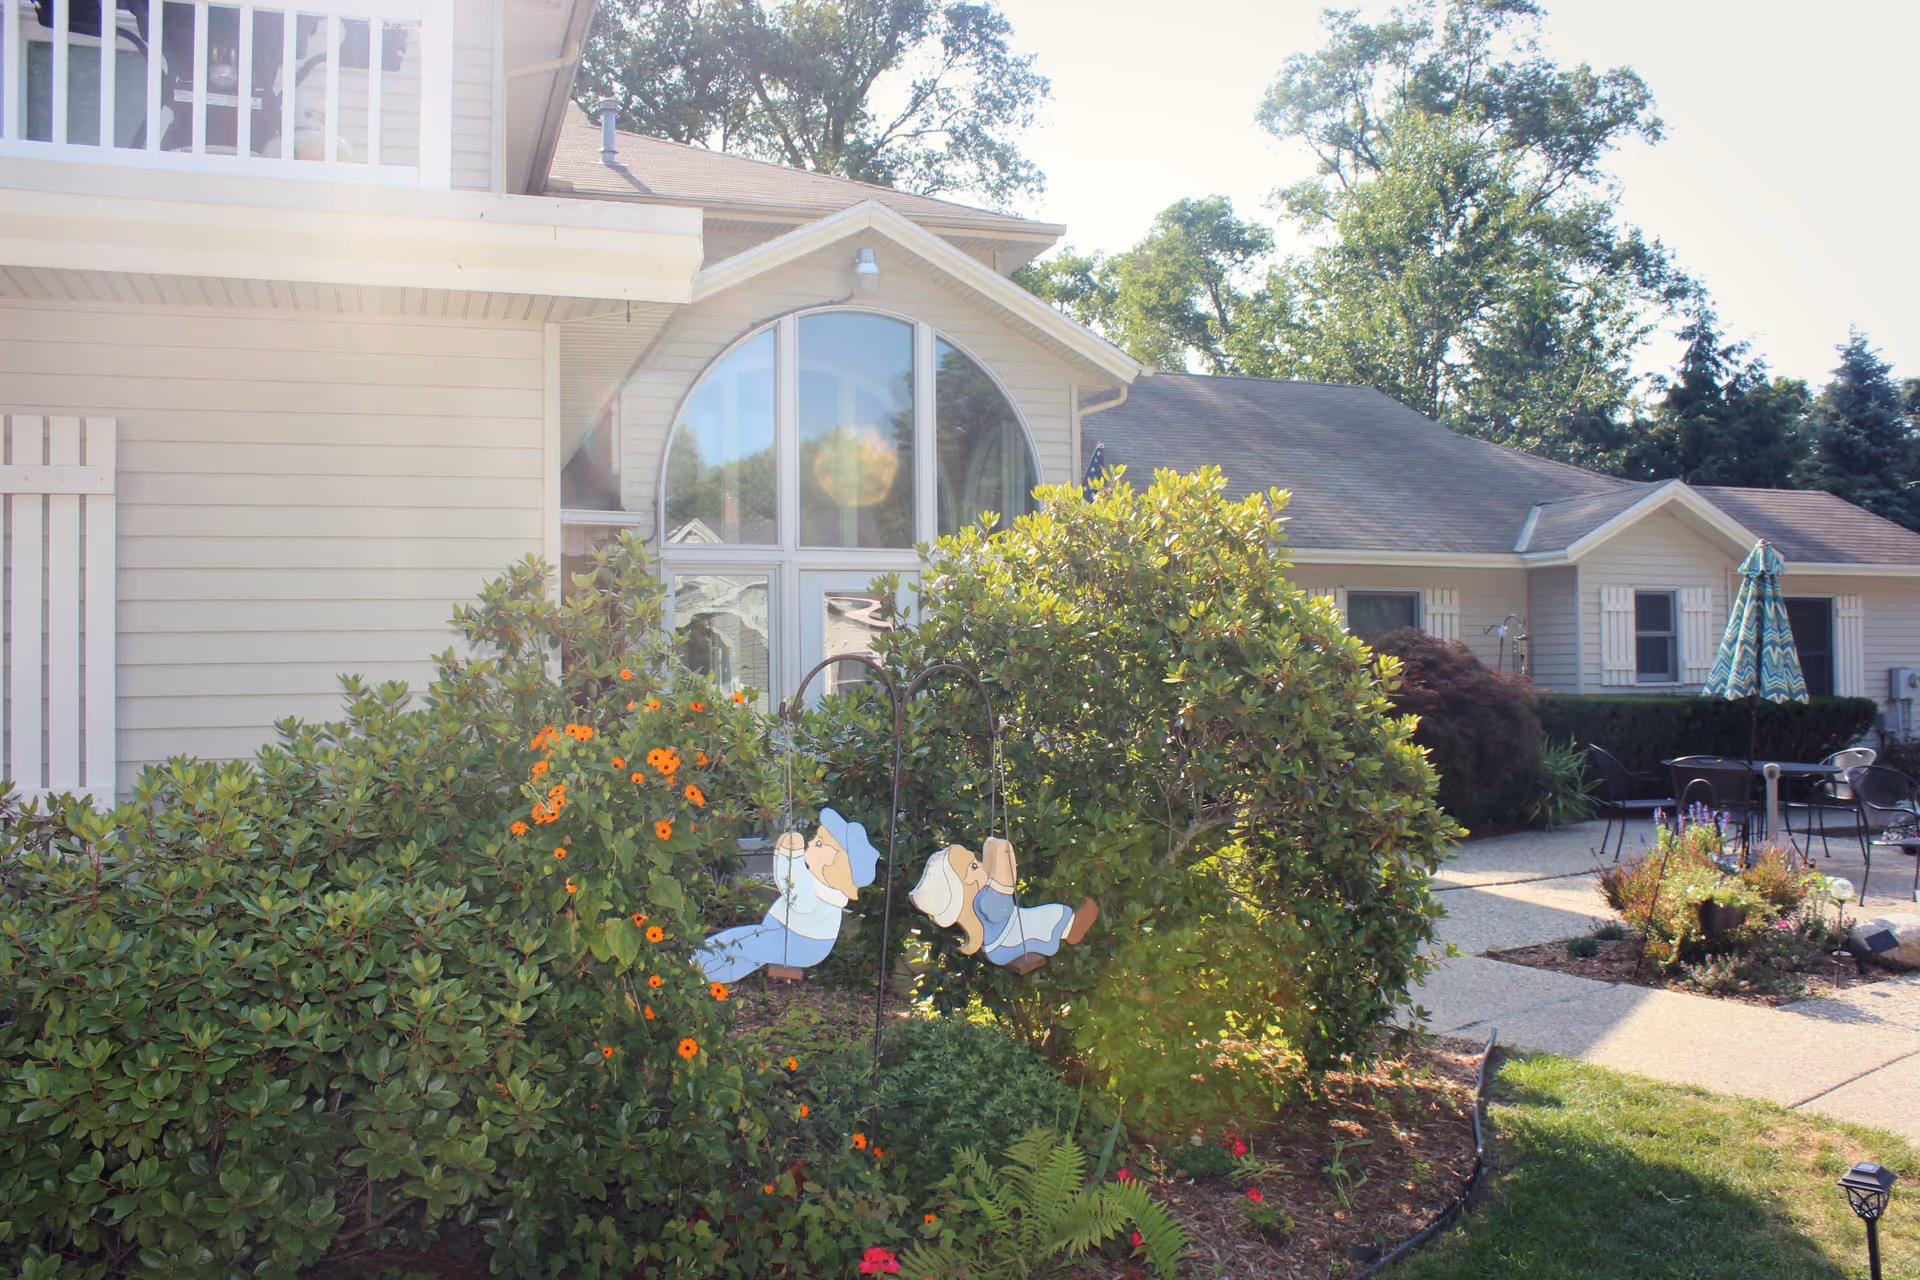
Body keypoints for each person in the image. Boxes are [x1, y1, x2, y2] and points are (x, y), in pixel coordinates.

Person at [696, 808, 878, 982]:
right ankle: (710, 975)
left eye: (820, 843)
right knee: (745, 957)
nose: (811, 842)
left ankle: (693, 965)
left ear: (834, 860)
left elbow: (797, 894)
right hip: (792, 939)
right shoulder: (822, 890)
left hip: (794, 940)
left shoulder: (818, 892)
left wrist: (790, 856)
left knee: (736, 942)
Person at [908, 836, 1097, 969]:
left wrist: (992, 849)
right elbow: (1005, 884)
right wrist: (1004, 852)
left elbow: (994, 881)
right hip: (1008, 942)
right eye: (974, 866)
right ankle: (1073, 929)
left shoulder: (979, 899)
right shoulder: (985, 901)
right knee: (1053, 913)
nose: (981, 865)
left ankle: (1071, 926)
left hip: (1002, 941)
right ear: (964, 883)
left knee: (1042, 916)